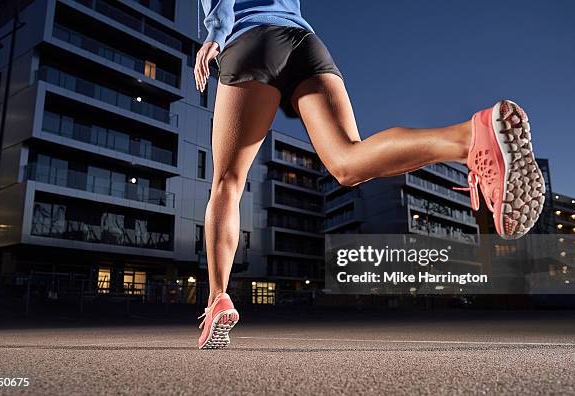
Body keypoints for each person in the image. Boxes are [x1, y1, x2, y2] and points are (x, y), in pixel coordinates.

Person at [194, 0, 545, 350]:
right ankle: (469, 137)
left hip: (249, 39)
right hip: (306, 43)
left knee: (228, 183)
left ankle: (217, 298)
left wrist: (216, 32)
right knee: (347, 162)